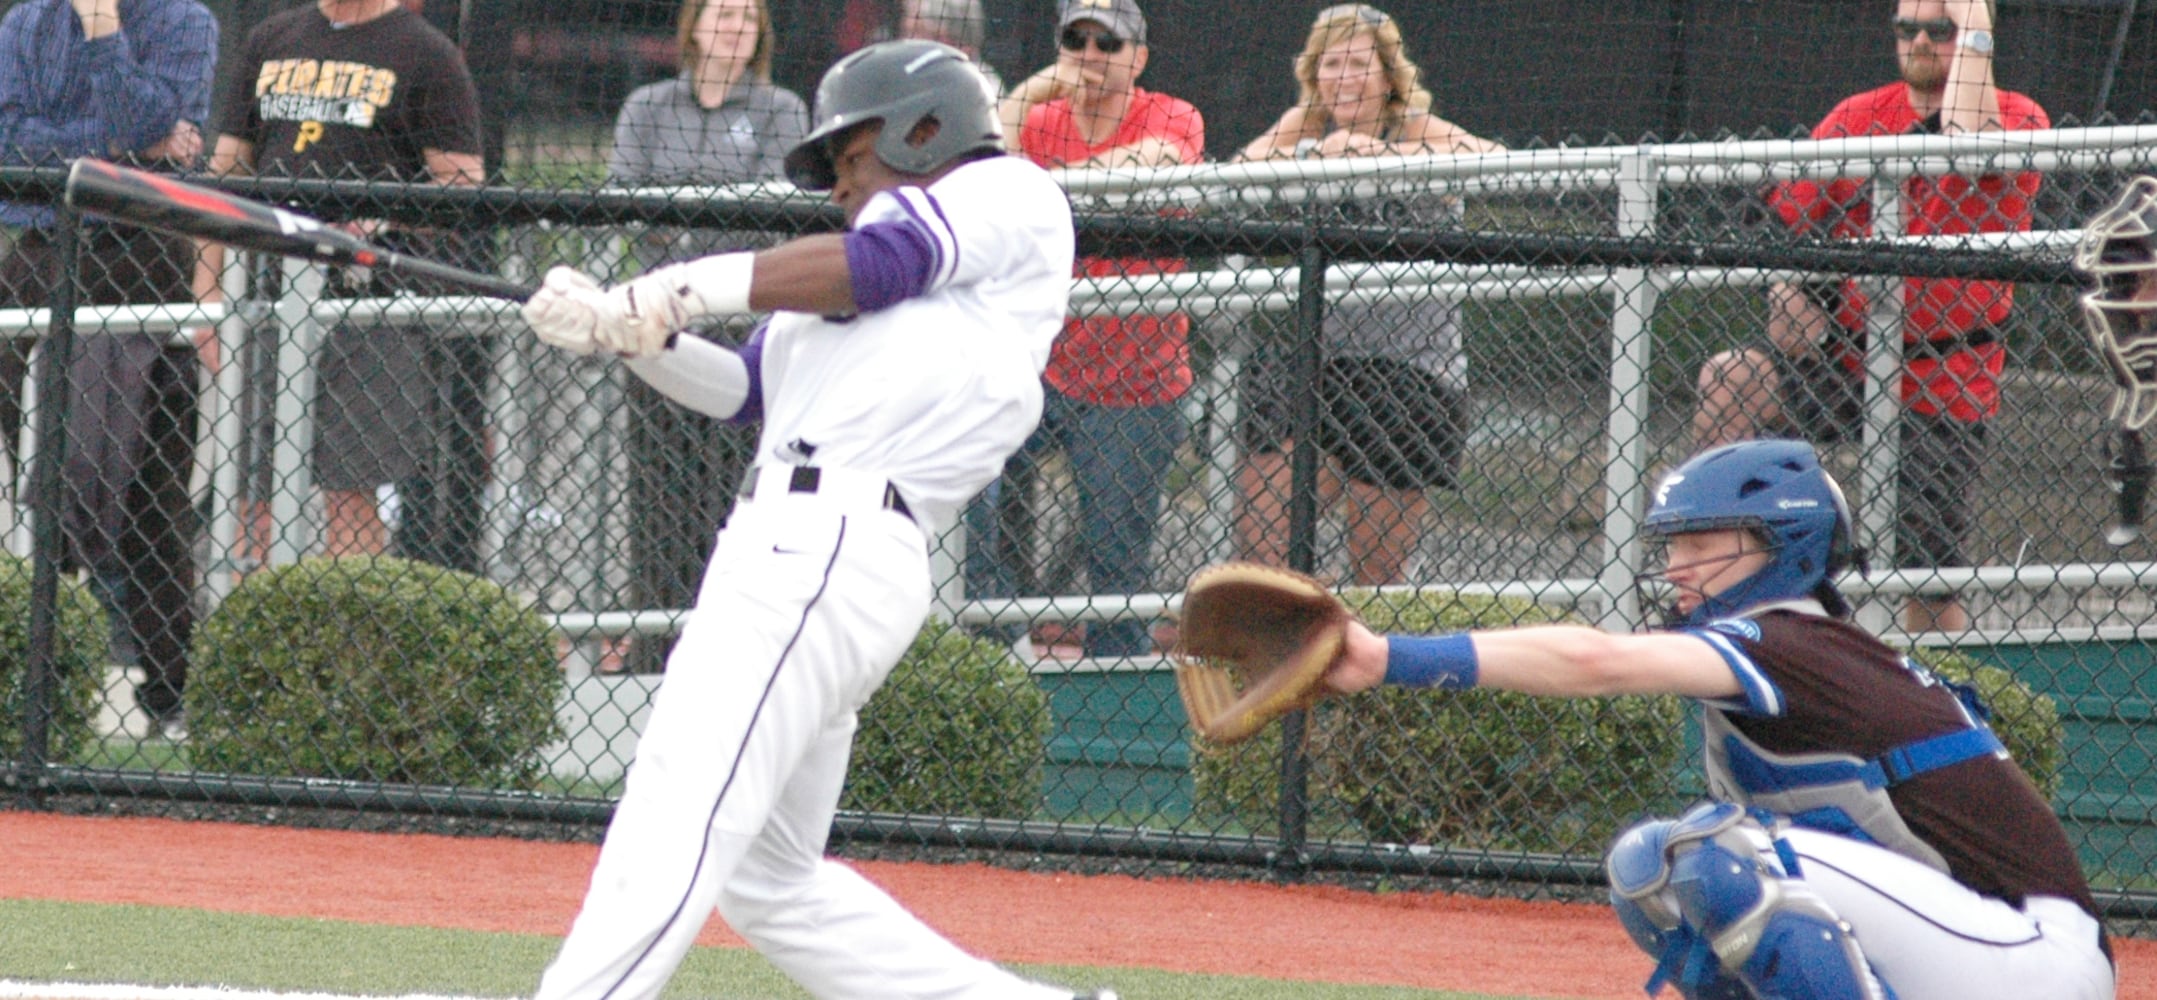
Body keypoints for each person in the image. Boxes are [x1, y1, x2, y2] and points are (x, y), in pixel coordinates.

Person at [517, 39, 1111, 1000]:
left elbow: (877, 264)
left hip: (828, 542)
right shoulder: (840, 281)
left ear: (927, 128)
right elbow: (742, 391)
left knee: (678, 809)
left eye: (852, 156)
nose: (839, 185)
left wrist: (672, 289)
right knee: (770, 881)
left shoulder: (1005, 196)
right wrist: (627, 337)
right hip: (808, 548)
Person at [1321, 438, 2112, 999]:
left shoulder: (1786, 639)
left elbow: (1596, 662)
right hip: (1975, 948)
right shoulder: (1812, 645)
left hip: (2032, 958)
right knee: (1651, 872)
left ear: (1781, 545)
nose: (1675, 568)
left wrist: (1384, 657)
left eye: (1700, 541)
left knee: (1707, 853)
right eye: (1671, 545)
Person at [1690, 0, 2048, 635]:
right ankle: (1709, 592)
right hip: (1847, 362)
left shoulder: (2018, 118)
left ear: (1974, 38)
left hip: (1943, 377)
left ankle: (1939, 696)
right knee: (1732, 377)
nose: (1919, 42)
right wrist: (1790, 286)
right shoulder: (1860, 115)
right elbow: (1777, 213)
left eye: (1940, 31)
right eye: (1906, 28)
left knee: (1927, 570)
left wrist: (1971, 16)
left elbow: (1968, 146)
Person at [196, 0, 484, 562]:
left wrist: (382, 218)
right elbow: (225, 174)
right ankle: (250, 643)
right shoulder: (272, 39)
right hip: (267, 291)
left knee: (349, 492)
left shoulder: (427, 54)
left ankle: (345, 644)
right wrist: (209, 292)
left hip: (369, 298)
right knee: (253, 492)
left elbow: (463, 184)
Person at [0, 0, 218, 738]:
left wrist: (102, 35)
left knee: (151, 494)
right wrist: (125, 148)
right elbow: (11, 148)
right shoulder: (24, 23)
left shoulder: (186, 21)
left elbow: (153, 122)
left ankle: (169, 699)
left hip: (140, 261)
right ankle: (45, 694)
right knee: (41, 482)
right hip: (36, 259)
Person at [1232, 2, 1500, 586]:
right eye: (1331, 64)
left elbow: (1500, 162)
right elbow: (1237, 174)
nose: (1344, 78)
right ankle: (1285, 627)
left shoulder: (1415, 127)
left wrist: (1382, 156)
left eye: (1359, 64)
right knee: (1264, 550)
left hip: (1412, 374)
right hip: (1323, 367)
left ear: (1387, 75)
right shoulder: (1306, 124)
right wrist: (1306, 148)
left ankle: (1366, 644)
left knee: (1376, 577)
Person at [970, 0, 1201, 658]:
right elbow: (982, 171)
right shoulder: (1038, 117)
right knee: (962, 484)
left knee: (1115, 567)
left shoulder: (1171, 114)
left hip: (1135, 383)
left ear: (1139, 57)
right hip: (1037, 368)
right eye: (1078, 40)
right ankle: (997, 652)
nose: (1093, 55)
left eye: (1110, 43)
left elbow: (1156, 160)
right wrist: (1030, 90)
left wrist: (1044, 187)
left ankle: (1110, 705)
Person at [606, 0, 807, 671]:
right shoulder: (648, 105)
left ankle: (728, 645)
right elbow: (624, 199)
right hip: (662, 326)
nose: (734, 28)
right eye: (721, 15)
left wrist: (694, 237)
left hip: (745, 332)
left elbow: (779, 211)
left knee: (734, 492)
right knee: (658, 492)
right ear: (691, 27)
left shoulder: (781, 109)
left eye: (747, 19)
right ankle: (656, 643)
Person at [896, 0, 1000, 92]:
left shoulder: (981, 88)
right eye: (905, 32)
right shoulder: (905, 83)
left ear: (960, 45)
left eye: (918, 32)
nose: (906, 42)